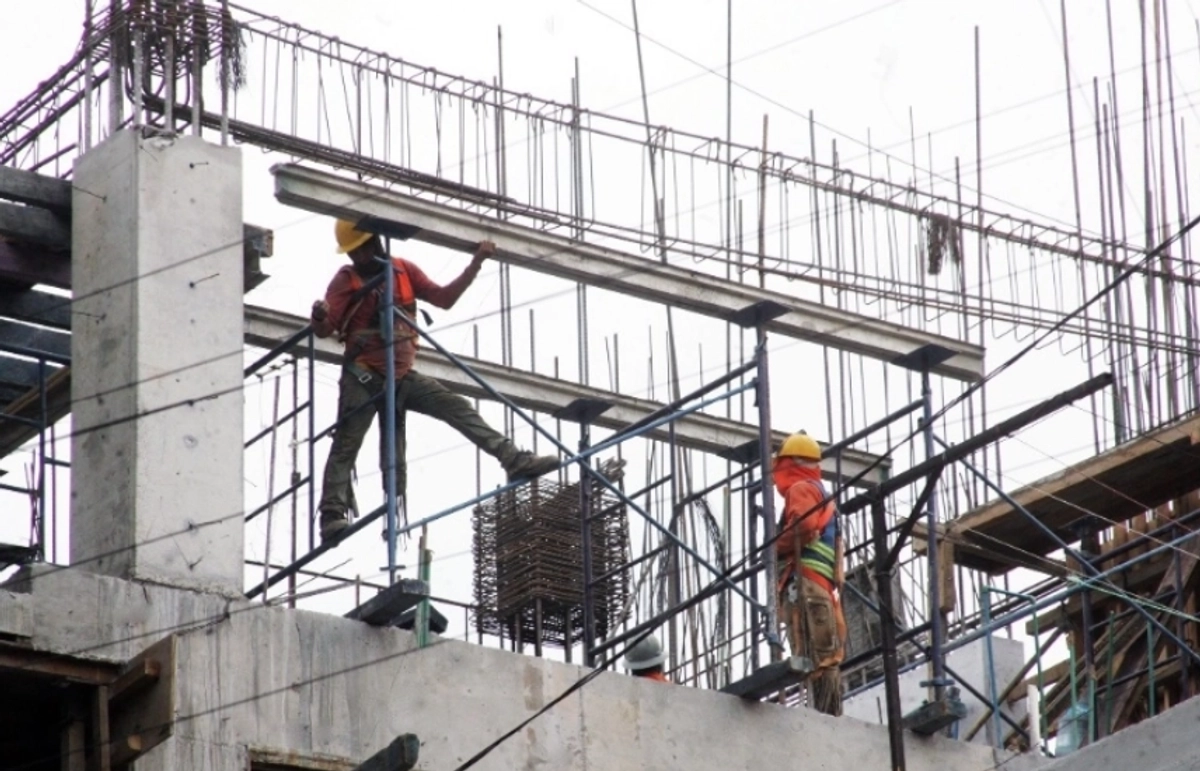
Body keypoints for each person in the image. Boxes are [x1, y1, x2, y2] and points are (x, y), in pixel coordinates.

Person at [311, 219, 559, 542]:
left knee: (456, 407)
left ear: (375, 242)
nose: (359, 257)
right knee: (347, 441)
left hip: (400, 377)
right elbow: (325, 327)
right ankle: (332, 513)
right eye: (354, 252)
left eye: (361, 248)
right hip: (364, 375)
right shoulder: (347, 279)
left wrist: (475, 263)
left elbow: (443, 298)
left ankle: (513, 459)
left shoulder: (403, 270)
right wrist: (318, 316)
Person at [773, 431, 847, 716]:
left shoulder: (801, 488)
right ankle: (829, 715)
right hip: (822, 588)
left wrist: (774, 547)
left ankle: (824, 719)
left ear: (789, 463)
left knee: (814, 657)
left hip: (806, 585)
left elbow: (803, 528)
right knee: (825, 657)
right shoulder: (824, 495)